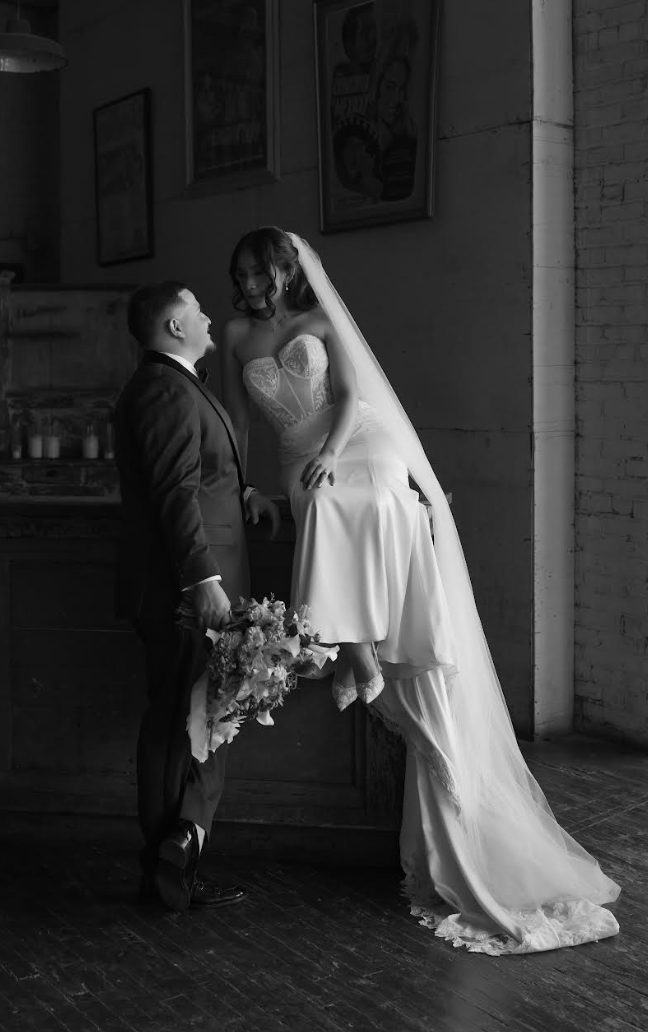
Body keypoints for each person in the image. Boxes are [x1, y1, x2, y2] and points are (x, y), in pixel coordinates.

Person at [219, 226, 621, 955]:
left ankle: (360, 649)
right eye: (241, 273)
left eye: (259, 272)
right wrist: (252, 485)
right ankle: (360, 649)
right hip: (295, 458)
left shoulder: (318, 322)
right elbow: (239, 418)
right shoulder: (236, 335)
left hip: (354, 443)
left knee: (365, 499)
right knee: (326, 505)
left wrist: (334, 455)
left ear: (286, 273)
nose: (249, 284)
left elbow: (348, 397)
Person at [114, 280, 279, 912]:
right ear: (175, 327)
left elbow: (204, 476)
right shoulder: (162, 388)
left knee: (197, 722)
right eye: (198, 310)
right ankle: (167, 867)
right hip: (181, 592)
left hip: (196, 586)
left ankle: (178, 854)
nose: (212, 315)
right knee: (176, 726)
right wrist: (201, 580)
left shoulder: (178, 383)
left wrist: (245, 494)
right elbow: (174, 494)